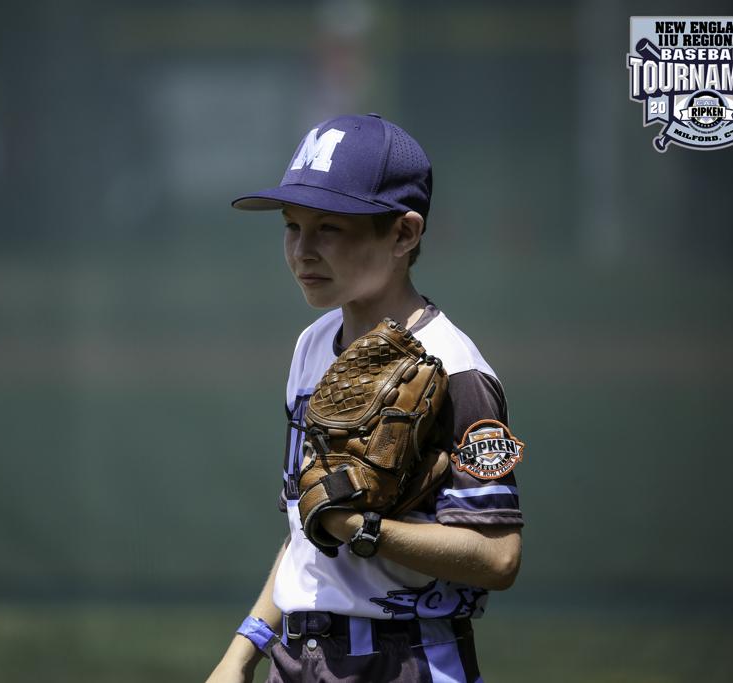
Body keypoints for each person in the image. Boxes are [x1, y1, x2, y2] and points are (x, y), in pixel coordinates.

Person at [208, 113, 524, 683]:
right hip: (296, 657)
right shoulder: (312, 345)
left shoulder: (456, 370)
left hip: (408, 659)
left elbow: (498, 557)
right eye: (292, 226)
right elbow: (310, 524)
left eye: (329, 228)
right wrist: (242, 651)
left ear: (403, 234)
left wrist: (364, 528)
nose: (303, 251)